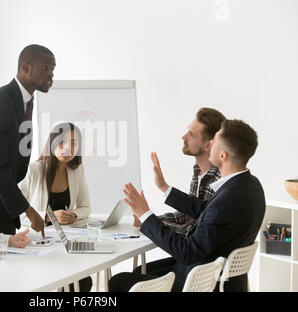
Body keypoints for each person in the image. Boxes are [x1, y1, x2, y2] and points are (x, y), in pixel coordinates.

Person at [109, 119, 266, 292]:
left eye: (215, 140)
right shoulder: (250, 185)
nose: (210, 143)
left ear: (223, 156)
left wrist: (146, 215)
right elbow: (207, 210)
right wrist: (164, 188)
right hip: (217, 274)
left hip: (199, 282)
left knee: (118, 281)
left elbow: (187, 251)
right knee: (140, 271)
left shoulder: (228, 200)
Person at [0, 44, 56, 237]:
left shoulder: (25, 100)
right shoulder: (0, 104)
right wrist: (29, 211)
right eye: (45, 67)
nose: (51, 74)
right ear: (25, 68)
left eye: (53, 69)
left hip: (3, 200)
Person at [19, 123, 92, 292]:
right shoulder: (34, 170)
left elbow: (86, 207)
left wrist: (73, 215)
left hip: (64, 242)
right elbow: (16, 212)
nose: (68, 147)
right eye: (62, 141)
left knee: (83, 281)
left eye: (74, 143)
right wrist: (47, 216)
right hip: (37, 242)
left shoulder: (77, 170)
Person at [134, 107, 226, 236]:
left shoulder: (219, 181)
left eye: (192, 134)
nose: (183, 137)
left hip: (201, 256)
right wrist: (149, 219)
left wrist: (153, 223)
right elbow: (189, 216)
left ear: (208, 145)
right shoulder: (199, 171)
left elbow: (198, 231)